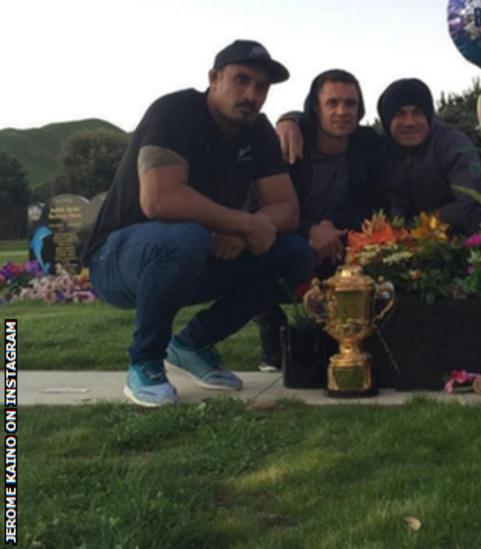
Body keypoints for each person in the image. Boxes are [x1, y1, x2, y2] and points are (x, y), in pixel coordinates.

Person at [82, 40, 315, 407]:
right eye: (241, 80)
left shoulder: (258, 131)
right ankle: (144, 362)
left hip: (196, 252)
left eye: (261, 87)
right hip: (117, 259)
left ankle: (192, 344)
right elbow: (160, 199)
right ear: (214, 78)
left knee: (295, 253)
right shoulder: (175, 112)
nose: (251, 95)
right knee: (185, 238)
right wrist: (242, 223)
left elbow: (286, 209)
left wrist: (246, 228)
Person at [254, 69, 389, 371]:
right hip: (291, 232)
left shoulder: (369, 145)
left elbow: (375, 202)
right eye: (332, 103)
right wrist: (310, 229)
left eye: (350, 104)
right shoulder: (291, 143)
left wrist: (330, 227)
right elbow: (263, 204)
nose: (342, 112)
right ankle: (271, 334)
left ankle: (351, 334)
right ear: (316, 107)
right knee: (263, 246)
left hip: (343, 236)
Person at [278, 78, 481, 234]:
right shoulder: (376, 147)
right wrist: (290, 120)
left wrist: (422, 225)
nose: (409, 122)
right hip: (390, 241)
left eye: (417, 112)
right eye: (400, 114)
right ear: (387, 120)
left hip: (457, 237)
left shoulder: (452, 144)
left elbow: (473, 202)